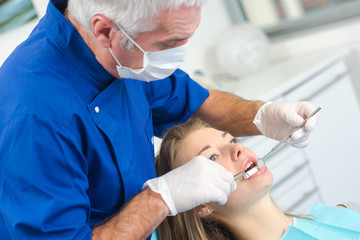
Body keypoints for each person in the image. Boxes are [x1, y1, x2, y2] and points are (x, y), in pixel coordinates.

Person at [0, 0, 319, 239]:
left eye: (230, 140)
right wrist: (160, 198)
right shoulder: (33, 116)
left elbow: (195, 101)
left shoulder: (125, 54)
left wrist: (260, 115)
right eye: (168, 44)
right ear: (104, 32)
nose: (180, 54)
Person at [154, 117, 360, 240]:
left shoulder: (349, 214)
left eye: (232, 140)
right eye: (212, 157)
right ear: (201, 205)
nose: (237, 148)